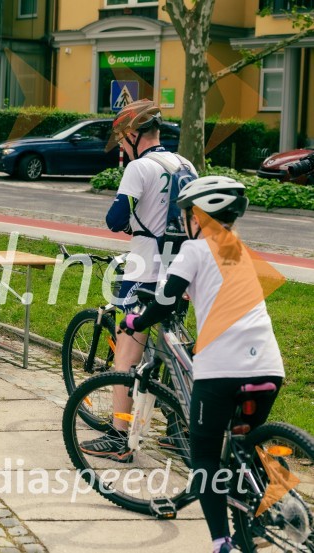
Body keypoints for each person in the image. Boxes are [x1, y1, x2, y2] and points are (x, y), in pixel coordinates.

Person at [120, 176, 284, 553]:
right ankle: (262, 515)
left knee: (205, 457)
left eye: (189, 213)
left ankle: (221, 542)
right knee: (246, 444)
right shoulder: (240, 249)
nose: (187, 220)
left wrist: (136, 322)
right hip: (269, 368)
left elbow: (164, 301)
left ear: (201, 216)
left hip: (223, 369)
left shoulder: (194, 250)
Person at [81, 99, 197, 460]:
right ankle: (180, 432)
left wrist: (134, 221)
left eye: (122, 138)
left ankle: (119, 435)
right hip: (182, 273)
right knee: (174, 354)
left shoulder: (140, 168)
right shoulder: (186, 164)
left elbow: (115, 218)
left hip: (143, 272)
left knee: (125, 358)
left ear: (133, 134)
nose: (122, 145)